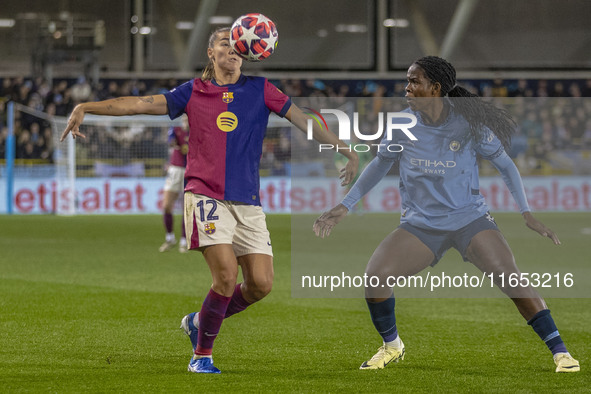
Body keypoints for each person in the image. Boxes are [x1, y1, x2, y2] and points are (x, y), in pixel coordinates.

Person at [61, 26, 358, 374]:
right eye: (224, 44)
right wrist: (86, 106)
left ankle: (199, 320)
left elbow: (303, 120)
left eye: (237, 47)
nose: (232, 51)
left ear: (246, 52)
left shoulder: (262, 90)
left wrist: (344, 149)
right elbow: (137, 105)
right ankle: (201, 355)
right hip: (205, 195)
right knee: (226, 277)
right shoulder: (192, 92)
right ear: (210, 53)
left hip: (247, 200)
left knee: (261, 284)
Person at [313, 56, 579, 373]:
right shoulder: (401, 125)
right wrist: (347, 204)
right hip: (421, 226)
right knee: (375, 280)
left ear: (435, 88)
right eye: (407, 81)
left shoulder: (468, 125)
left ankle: (561, 353)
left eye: (414, 81)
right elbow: (380, 164)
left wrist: (527, 213)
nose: (407, 88)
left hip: (470, 220)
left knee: (510, 278)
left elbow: (506, 165)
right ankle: (392, 346)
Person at [159, 114, 190, 253]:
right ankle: (170, 238)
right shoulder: (176, 129)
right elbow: (170, 141)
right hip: (175, 169)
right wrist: (174, 144)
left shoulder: (199, 132)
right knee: (166, 206)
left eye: (187, 119)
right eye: (184, 119)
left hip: (191, 170)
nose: (185, 122)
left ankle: (184, 241)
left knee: (187, 209)